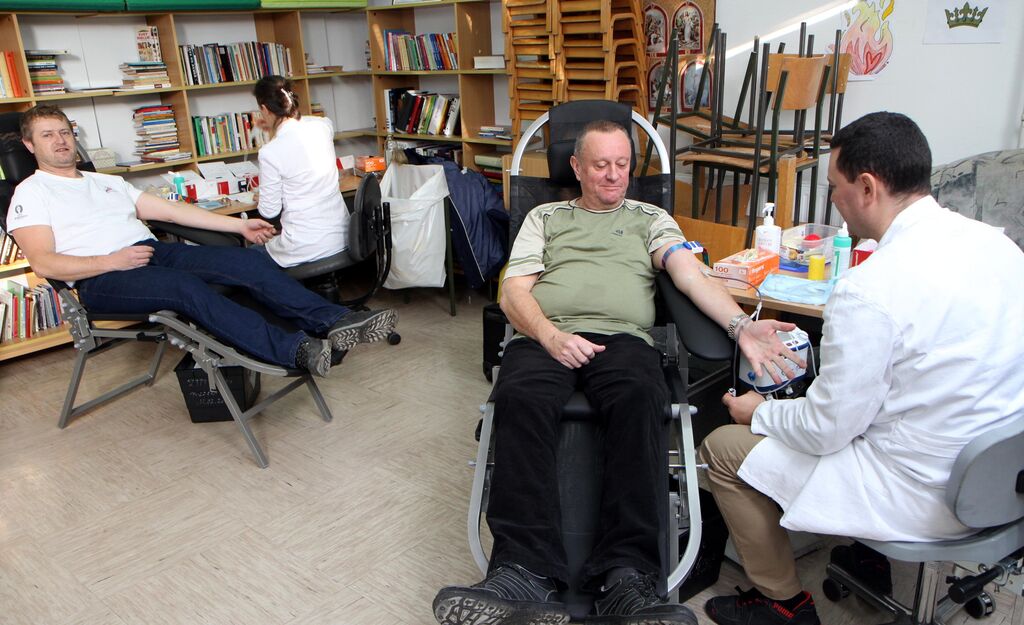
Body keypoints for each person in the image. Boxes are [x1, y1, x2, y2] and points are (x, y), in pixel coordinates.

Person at [433, 120, 802, 625]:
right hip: (546, 335)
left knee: (640, 399)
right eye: (601, 165)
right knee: (519, 399)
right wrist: (549, 336)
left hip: (623, 339)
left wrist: (741, 326)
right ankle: (523, 570)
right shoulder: (545, 216)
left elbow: (689, 276)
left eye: (623, 164)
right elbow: (513, 291)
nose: (613, 175)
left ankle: (626, 578)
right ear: (576, 167)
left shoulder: (651, 218)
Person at [701, 112, 1024, 625]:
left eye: (834, 186)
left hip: (926, 496)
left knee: (721, 448)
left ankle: (783, 604)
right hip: (1003, 479)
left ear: (868, 188)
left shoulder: (870, 289)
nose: (833, 199)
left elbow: (827, 429)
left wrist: (758, 411)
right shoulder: (999, 246)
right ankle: (865, 553)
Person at [7, 104, 397, 377]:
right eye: (47, 135)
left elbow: (171, 212)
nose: (60, 141)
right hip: (103, 278)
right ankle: (295, 349)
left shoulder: (105, 181)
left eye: (64, 132)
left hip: (152, 253)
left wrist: (238, 228)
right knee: (185, 287)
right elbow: (44, 262)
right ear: (30, 145)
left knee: (250, 260)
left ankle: (337, 320)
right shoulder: (32, 193)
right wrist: (111, 261)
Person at [251, 75, 348, 268]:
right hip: (343, 238)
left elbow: (269, 212)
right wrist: (277, 122)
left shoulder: (269, 152)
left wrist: (263, 197)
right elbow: (310, 122)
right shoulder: (323, 126)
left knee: (247, 257)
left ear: (264, 109)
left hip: (304, 246)